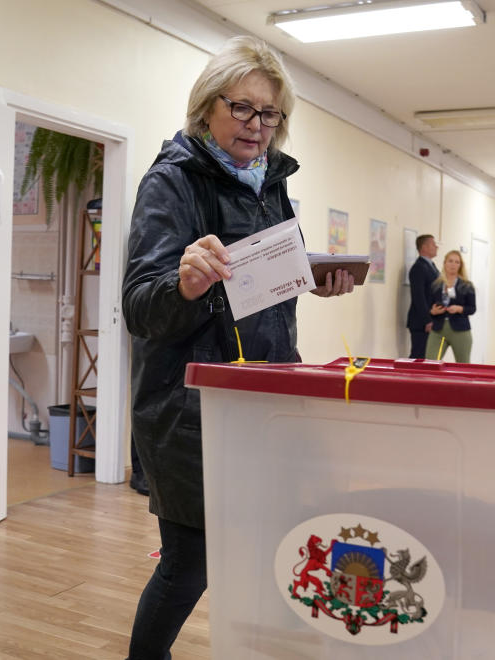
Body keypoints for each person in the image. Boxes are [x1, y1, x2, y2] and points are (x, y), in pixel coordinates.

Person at [121, 36, 354, 659]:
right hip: (190, 408)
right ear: (207, 108)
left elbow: (263, 289)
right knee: (189, 562)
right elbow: (141, 307)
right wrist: (184, 282)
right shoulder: (170, 183)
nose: (258, 126)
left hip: (267, 396)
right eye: (243, 109)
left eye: (271, 114)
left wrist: (312, 279)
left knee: (269, 541)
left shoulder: (268, 184)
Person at [426, 249, 476, 362]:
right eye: (450, 261)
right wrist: (433, 311)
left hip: (460, 331)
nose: (453, 264)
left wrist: (460, 308)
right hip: (439, 331)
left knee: (462, 366)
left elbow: (472, 308)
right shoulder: (436, 285)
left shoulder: (467, 285)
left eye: (457, 262)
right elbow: (429, 307)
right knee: (431, 363)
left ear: (460, 265)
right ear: (444, 263)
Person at [406, 233, 439, 358]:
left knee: (428, 357)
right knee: (418, 357)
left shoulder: (432, 266)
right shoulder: (418, 268)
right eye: (433, 244)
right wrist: (427, 320)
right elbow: (418, 297)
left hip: (432, 319)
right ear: (424, 247)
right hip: (421, 322)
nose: (436, 247)